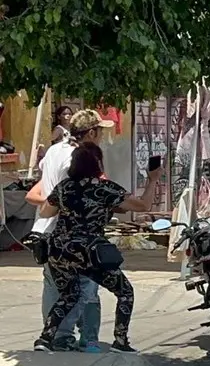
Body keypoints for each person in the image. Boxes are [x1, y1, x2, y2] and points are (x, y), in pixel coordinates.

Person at [35, 142, 161, 353]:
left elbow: (46, 213)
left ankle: (45, 339)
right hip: (90, 252)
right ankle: (120, 341)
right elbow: (144, 206)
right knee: (125, 292)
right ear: (98, 164)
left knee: (69, 294)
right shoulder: (105, 188)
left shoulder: (64, 187)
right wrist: (152, 180)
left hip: (60, 250)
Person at [26, 109, 114, 351]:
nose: (101, 138)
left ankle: (55, 335)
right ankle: (74, 337)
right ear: (91, 133)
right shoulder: (78, 159)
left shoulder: (55, 151)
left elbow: (44, 186)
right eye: (100, 133)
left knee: (53, 284)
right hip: (72, 231)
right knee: (86, 286)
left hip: (45, 230)